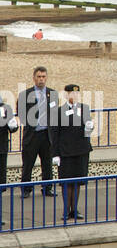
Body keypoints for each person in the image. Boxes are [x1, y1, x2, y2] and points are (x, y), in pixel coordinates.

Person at [51, 84, 93, 222]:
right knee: (66, 182)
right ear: (66, 95)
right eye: (71, 94)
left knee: (77, 181)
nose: (74, 96)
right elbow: (54, 134)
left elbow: (87, 131)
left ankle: (74, 209)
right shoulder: (58, 112)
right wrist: (55, 154)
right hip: (65, 151)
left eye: (76, 94)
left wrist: (89, 128)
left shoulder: (84, 109)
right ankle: (66, 209)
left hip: (81, 150)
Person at [19, 66, 59, 197]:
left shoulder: (52, 94)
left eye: (43, 77)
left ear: (46, 78)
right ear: (34, 78)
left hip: (46, 135)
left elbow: (54, 113)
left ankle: (47, 188)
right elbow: (21, 113)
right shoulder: (25, 94)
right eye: (39, 77)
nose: (41, 79)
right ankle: (26, 189)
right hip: (32, 135)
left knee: (47, 163)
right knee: (28, 164)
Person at [0, 92, 16, 227]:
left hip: (1, 150)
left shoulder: (5, 109)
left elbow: (13, 128)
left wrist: (12, 125)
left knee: (0, 184)